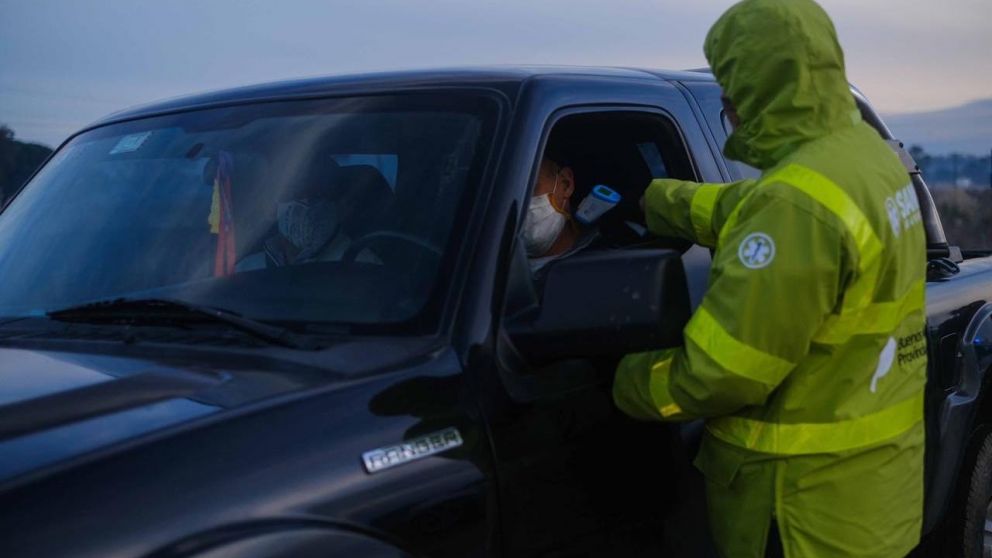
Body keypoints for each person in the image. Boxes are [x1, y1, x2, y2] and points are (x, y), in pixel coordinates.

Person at [612, 1, 927, 557]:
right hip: (871, 494)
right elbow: (770, 208)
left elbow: (722, 375)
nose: (729, 107)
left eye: (734, 89)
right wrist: (662, 200)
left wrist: (625, 382)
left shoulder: (794, 204)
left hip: (800, 511)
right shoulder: (865, 159)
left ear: (767, 90)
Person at [523, 154, 600, 274]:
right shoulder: (490, 265)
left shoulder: (609, 257)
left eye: (529, 188)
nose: (519, 202)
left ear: (566, 185)